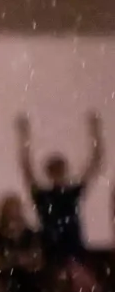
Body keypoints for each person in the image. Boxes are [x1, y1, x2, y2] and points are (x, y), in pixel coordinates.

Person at [16, 111, 103, 264]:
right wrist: (24, 138)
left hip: (71, 250)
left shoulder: (67, 194)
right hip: (54, 252)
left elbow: (95, 164)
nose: (58, 175)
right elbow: (26, 169)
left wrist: (96, 132)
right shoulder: (47, 195)